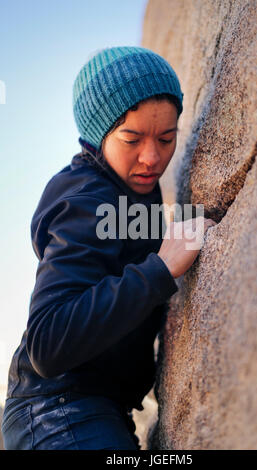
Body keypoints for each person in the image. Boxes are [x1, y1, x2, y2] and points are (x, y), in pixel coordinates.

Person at [1, 46, 216, 450]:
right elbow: (46, 343)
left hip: (100, 410)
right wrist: (161, 268)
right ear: (98, 135)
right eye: (132, 139)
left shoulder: (136, 193)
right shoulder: (85, 199)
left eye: (167, 138)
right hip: (53, 412)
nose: (152, 158)